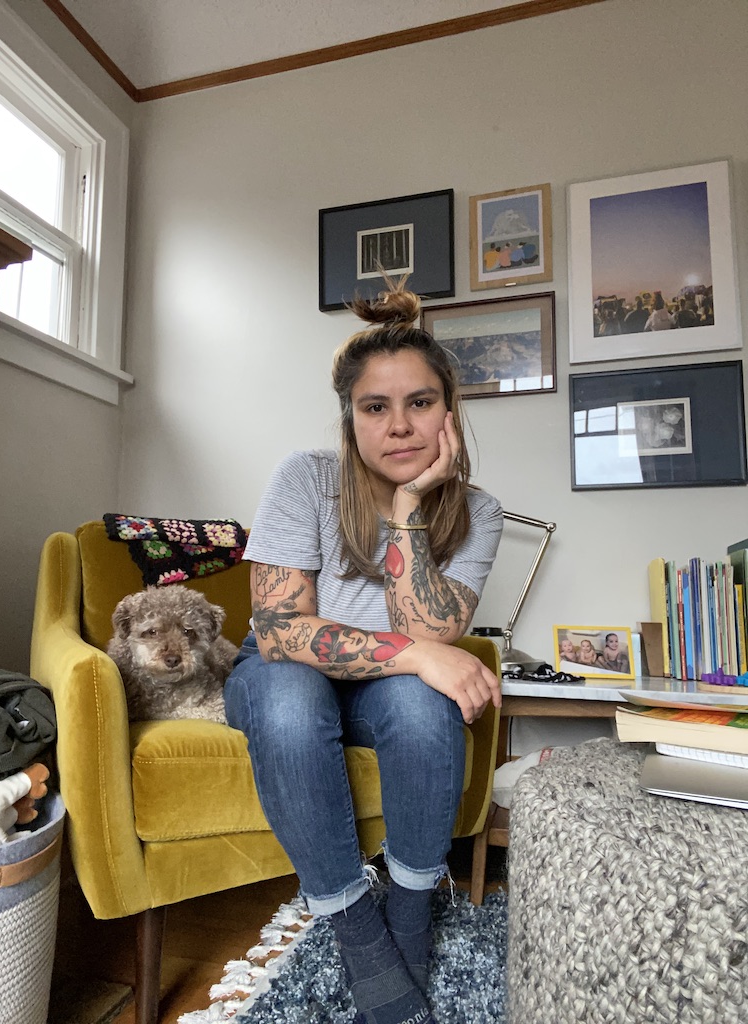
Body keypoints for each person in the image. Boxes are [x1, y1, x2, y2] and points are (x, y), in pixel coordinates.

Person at [224, 275, 503, 1024]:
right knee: (289, 698)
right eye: (375, 407)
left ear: (450, 410)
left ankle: (410, 917)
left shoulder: (477, 511)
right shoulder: (305, 479)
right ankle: (358, 936)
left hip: (380, 689)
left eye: (421, 402)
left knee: (421, 706)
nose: (400, 426)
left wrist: (410, 512)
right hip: (285, 674)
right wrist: (415, 656)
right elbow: (281, 630)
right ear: (350, 419)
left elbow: (434, 634)